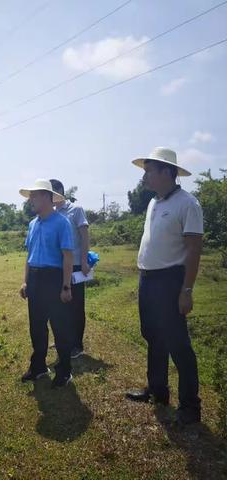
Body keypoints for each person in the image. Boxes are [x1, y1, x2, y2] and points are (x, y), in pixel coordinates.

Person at [126, 147, 203, 425]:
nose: (144, 177)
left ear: (167, 172)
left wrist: (186, 290)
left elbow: (194, 250)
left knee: (178, 344)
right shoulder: (154, 203)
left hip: (171, 281)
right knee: (152, 335)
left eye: (149, 171)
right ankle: (158, 390)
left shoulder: (187, 203)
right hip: (148, 279)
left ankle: (190, 407)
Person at [19, 179, 75, 388]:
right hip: (35, 278)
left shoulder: (62, 222)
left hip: (54, 278)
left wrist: (66, 286)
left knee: (60, 327)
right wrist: (25, 282)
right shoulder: (33, 224)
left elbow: (67, 256)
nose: (31, 200)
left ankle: (65, 371)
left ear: (46, 197)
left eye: (34, 196)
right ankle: (39, 367)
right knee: (37, 326)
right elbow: (29, 255)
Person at [50, 179, 90, 358]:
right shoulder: (52, 213)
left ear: (59, 192)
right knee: (61, 305)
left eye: (50, 193)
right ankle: (64, 339)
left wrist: (83, 261)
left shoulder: (76, 210)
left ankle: (77, 345)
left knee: (76, 304)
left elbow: (84, 236)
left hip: (74, 264)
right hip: (58, 266)